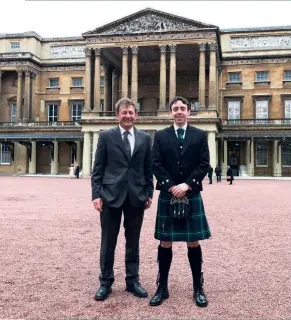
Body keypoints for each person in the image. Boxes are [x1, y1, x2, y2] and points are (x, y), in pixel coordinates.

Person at [150, 96, 211, 308]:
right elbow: (155, 164)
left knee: (193, 242)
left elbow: (204, 165)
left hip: (191, 193)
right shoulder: (160, 136)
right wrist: (169, 185)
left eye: (182, 108)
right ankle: (162, 287)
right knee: (165, 242)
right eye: (175, 109)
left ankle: (198, 287)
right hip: (168, 194)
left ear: (189, 112)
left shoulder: (200, 135)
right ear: (170, 113)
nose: (179, 112)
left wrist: (187, 185)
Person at [91, 98, 154, 301]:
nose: (128, 116)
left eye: (131, 112)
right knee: (108, 241)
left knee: (133, 242)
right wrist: (96, 195)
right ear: (117, 115)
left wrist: (149, 193)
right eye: (124, 112)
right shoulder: (106, 136)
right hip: (110, 195)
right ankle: (105, 282)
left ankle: (132, 281)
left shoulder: (145, 138)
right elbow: (98, 169)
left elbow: (148, 169)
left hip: (136, 195)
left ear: (136, 115)